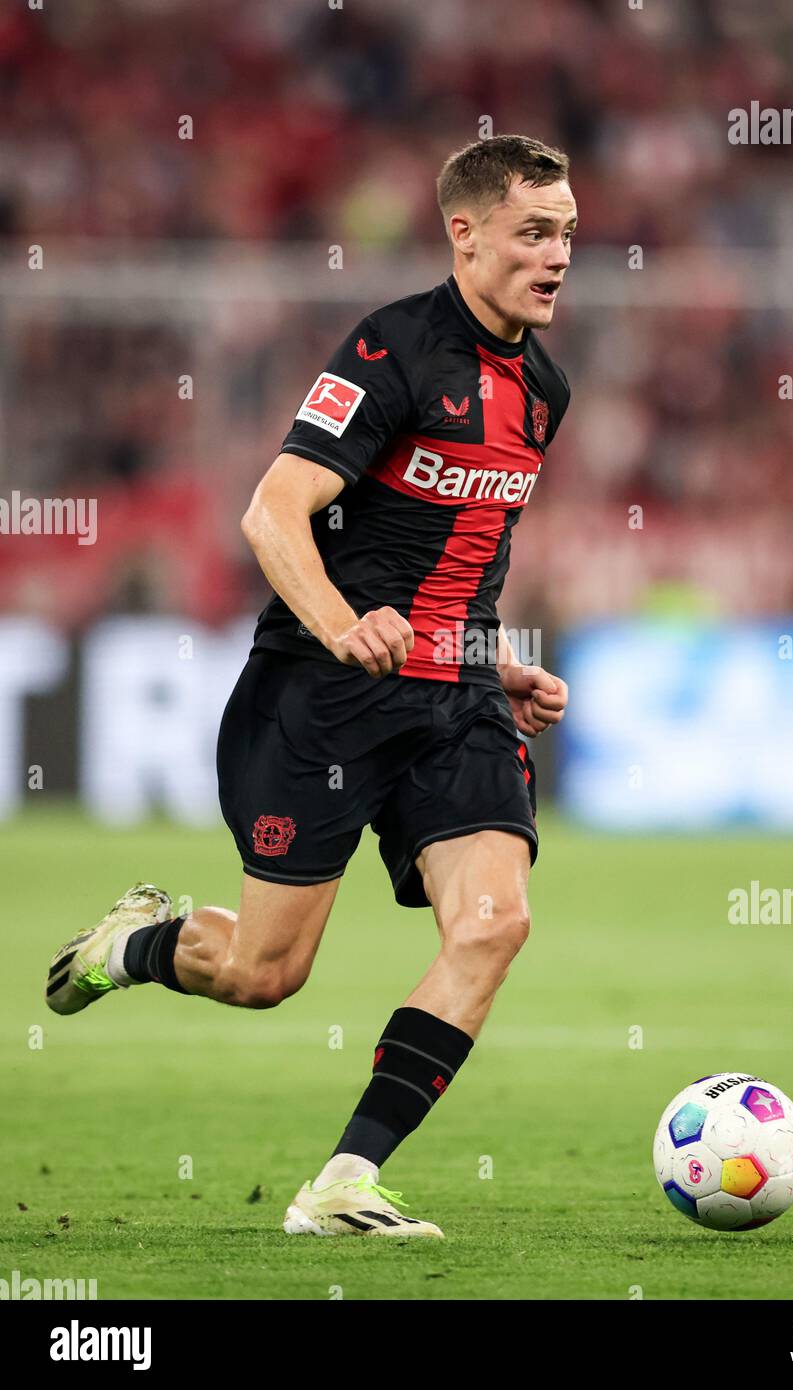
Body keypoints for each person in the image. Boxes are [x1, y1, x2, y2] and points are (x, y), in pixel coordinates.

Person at [45, 134, 576, 1239]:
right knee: (262, 971)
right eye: (534, 231)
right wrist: (344, 626)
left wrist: (493, 660)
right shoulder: (391, 350)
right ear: (464, 233)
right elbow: (270, 513)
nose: (558, 253)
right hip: (322, 694)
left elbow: (463, 556)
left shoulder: (545, 389)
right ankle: (140, 942)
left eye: (567, 231)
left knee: (493, 922)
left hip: (456, 700)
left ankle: (344, 1181)